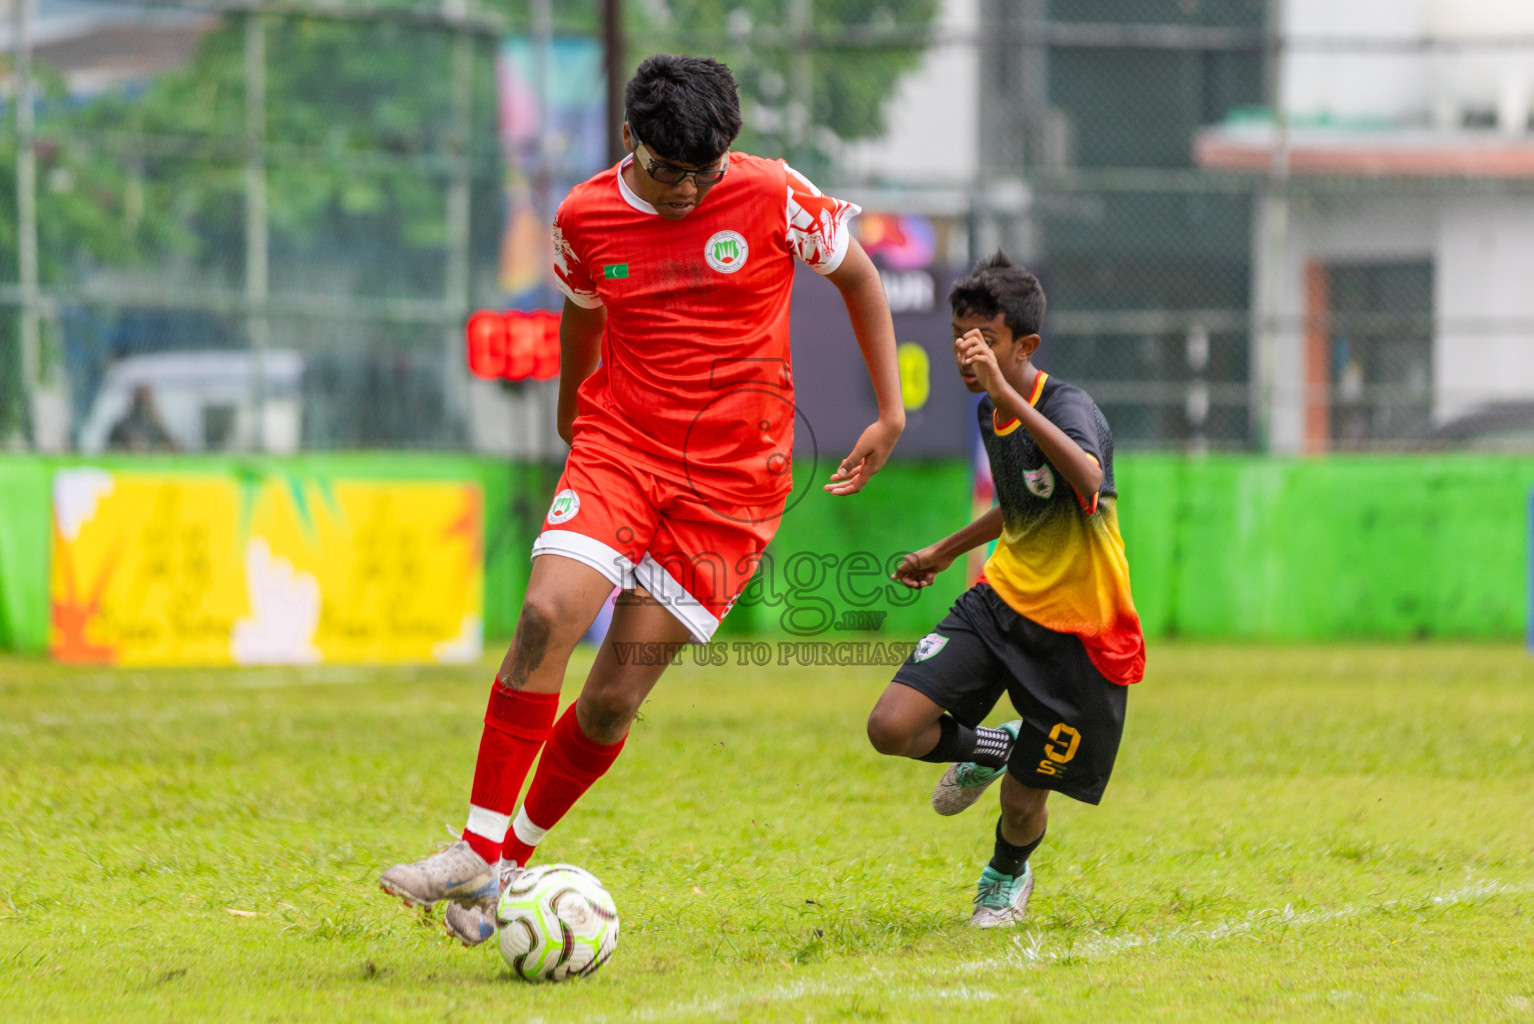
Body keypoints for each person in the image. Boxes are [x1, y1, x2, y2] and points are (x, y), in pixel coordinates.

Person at [379, 54, 905, 945]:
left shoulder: (774, 194)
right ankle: (474, 845)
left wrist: (890, 412)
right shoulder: (582, 215)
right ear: (630, 140)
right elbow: (582, 313)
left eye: (705, 172)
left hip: (734, 488)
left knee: (614, 698)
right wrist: (569, 417)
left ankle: (506, 864)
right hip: (620, 447)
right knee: (547, 613)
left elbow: (857, 277)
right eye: (669, 172)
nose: (689, 191)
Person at [866, 251, 1144, 927]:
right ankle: (997, 746)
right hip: (1001, 604)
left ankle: (1005, 876)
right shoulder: (994, 412)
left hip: (1080, 636)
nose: (968, 354)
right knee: (891, 727)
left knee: (1023, 803)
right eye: (960, 339)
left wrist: (1008, 392)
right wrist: (944, 549)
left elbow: (1081, 477)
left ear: (1025, 346)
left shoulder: (1066, 406)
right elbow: (1023, 502)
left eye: (983, 341)